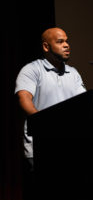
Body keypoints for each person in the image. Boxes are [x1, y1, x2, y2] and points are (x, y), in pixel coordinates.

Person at [15, 27, 86, 169]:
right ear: (46, 46)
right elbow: (24, 98)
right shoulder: (32, 70)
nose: (66, 45)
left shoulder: (73, 73)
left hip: (69, 145)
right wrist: (45, 124)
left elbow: (83, 102)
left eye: (66, 41)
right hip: (41, 146)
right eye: (60, 42)